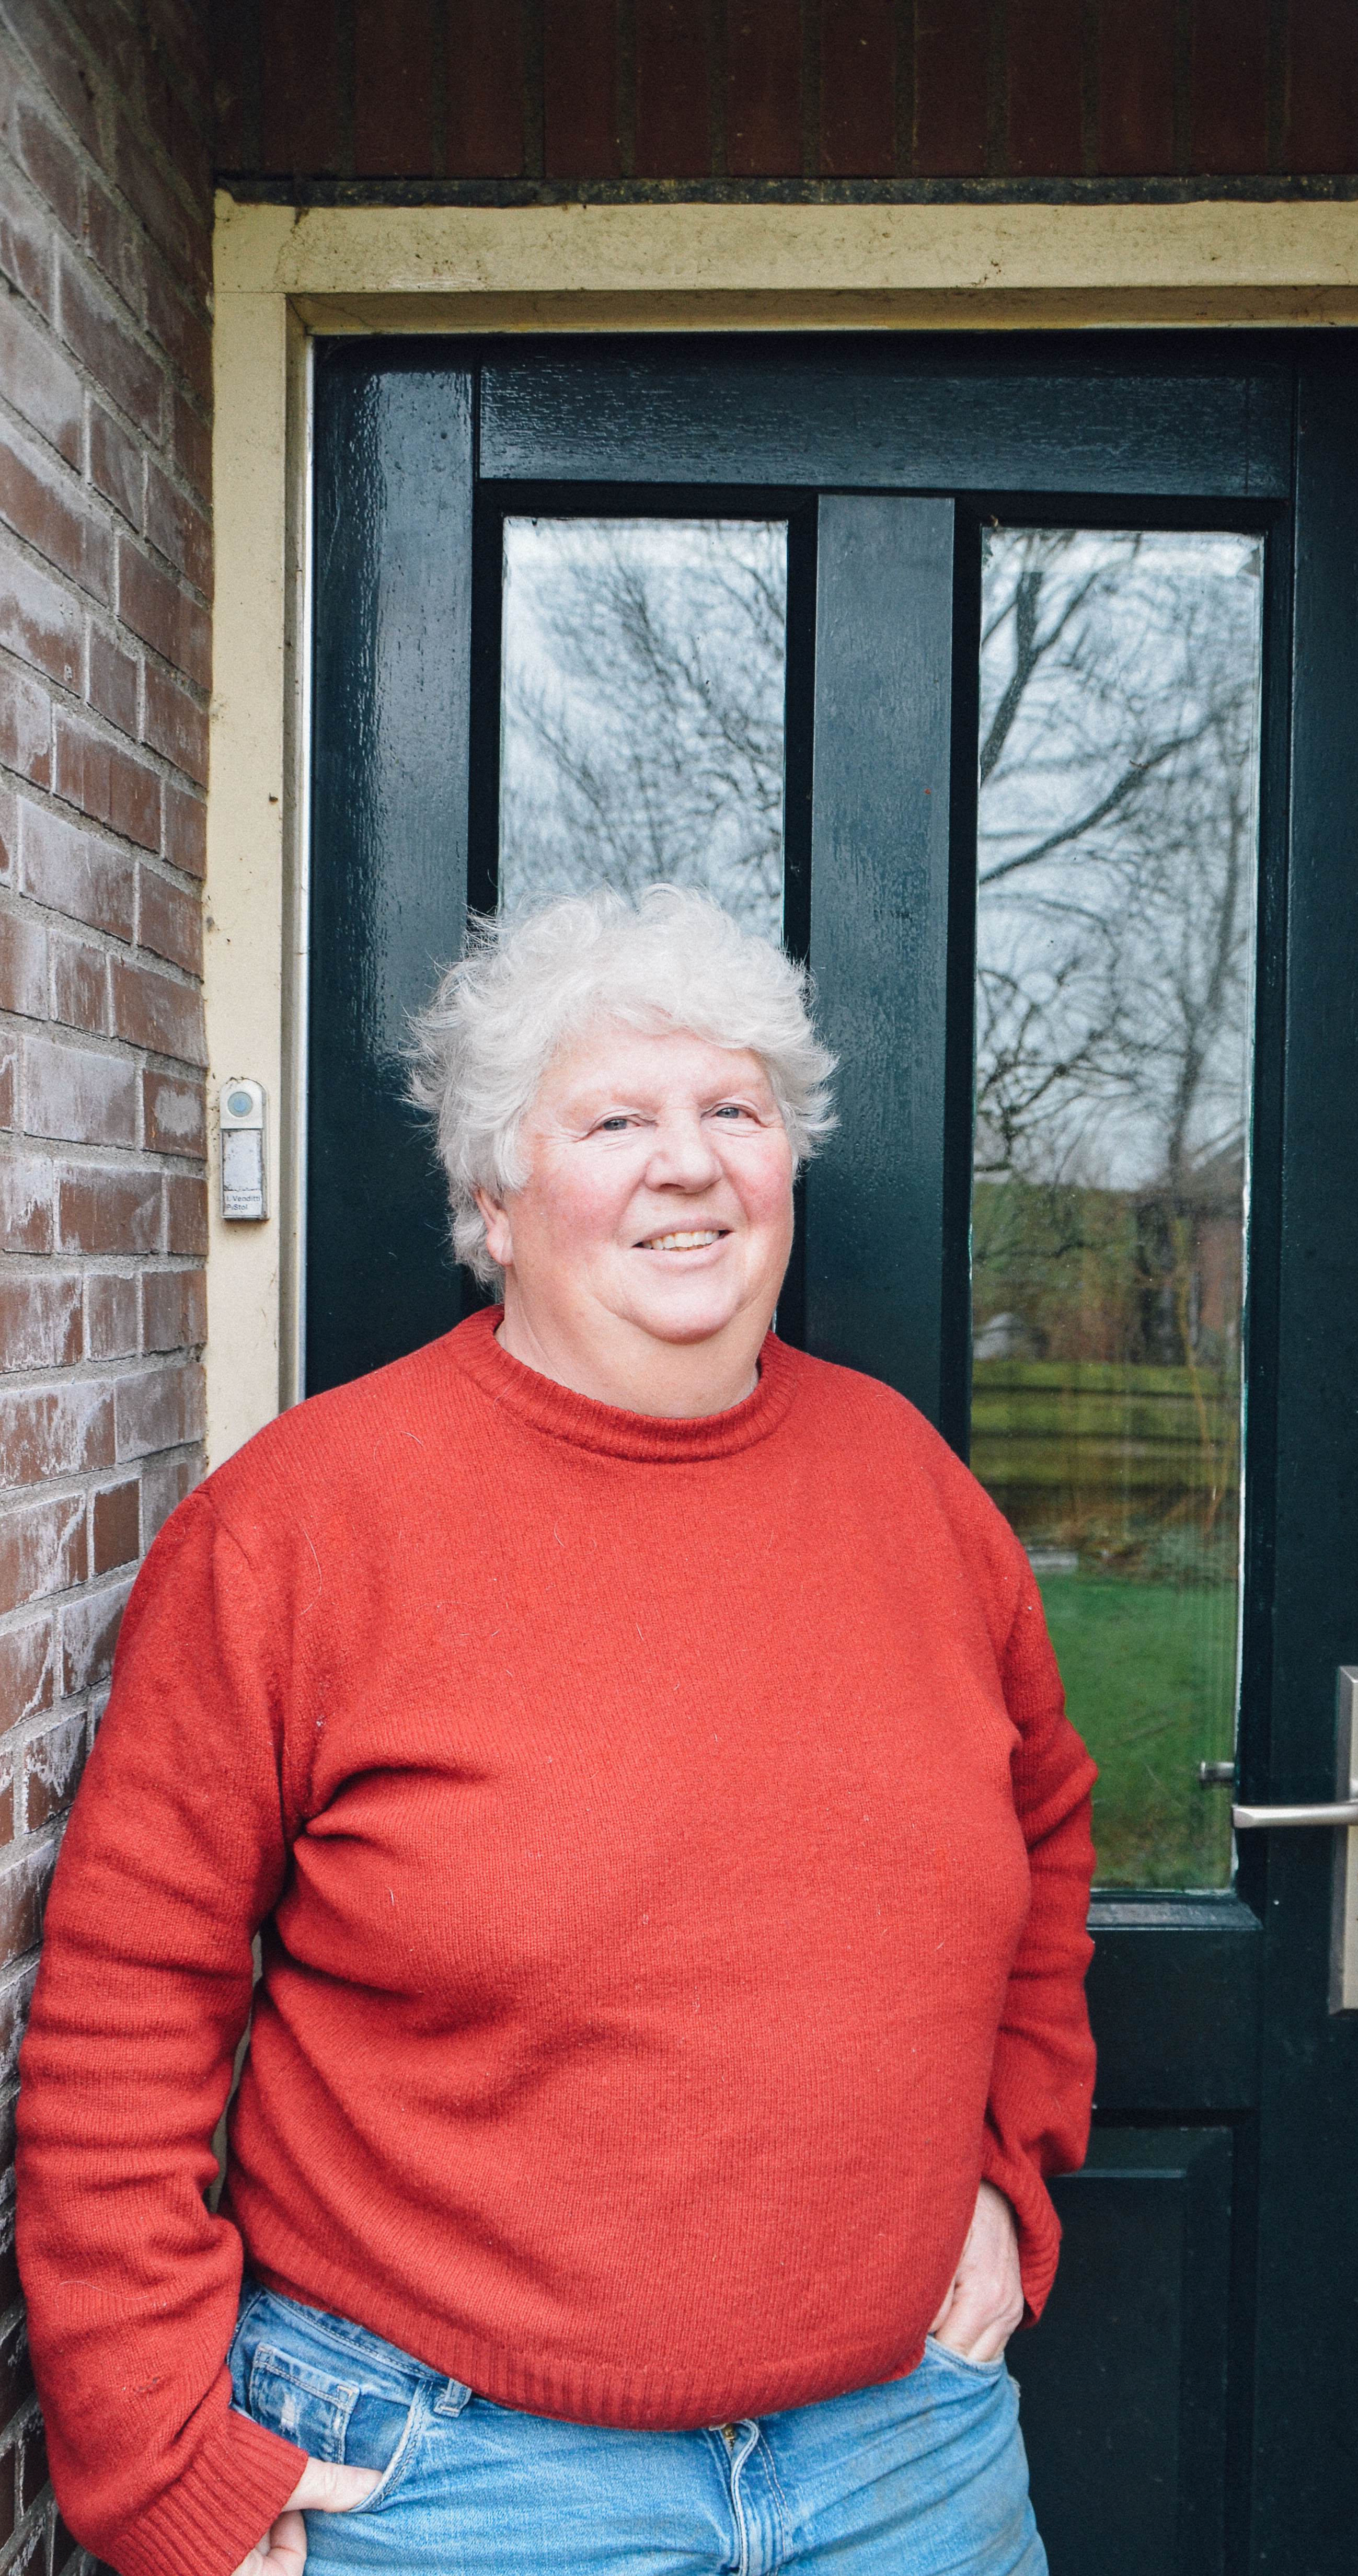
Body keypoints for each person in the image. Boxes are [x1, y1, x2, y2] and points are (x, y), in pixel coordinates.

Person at [17, 886, 1097, 2576]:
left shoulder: (913, 1491)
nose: (690, 1166)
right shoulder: (302, 1528)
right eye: (614, 1123)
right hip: (453, 2482)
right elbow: (126, 2014)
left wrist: (1009, 2171)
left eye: (734, 1110)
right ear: (493, 1199)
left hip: (907, 2457)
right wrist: (164, 2466)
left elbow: (1048, 1838)